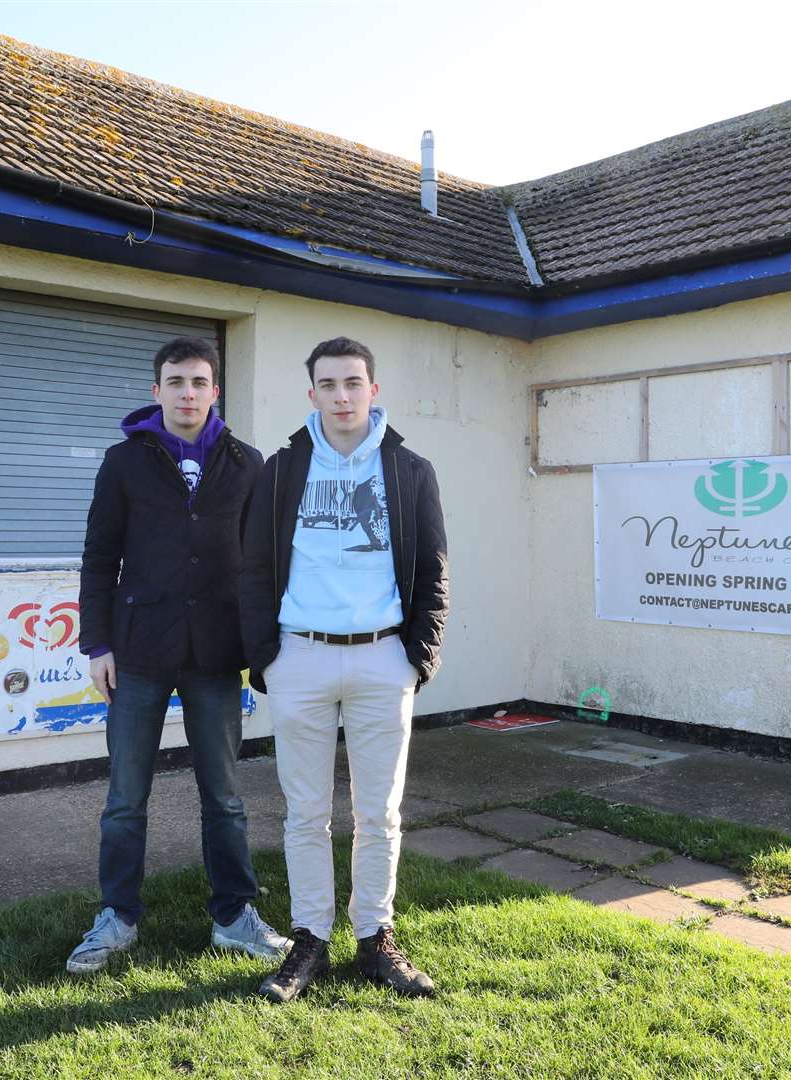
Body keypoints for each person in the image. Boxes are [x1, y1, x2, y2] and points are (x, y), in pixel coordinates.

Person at [66, 336, 291, 974]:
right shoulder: (123, 463)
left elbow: (261, 567)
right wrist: (98, 643)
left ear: (215, 391)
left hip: (217, 655)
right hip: (137, 652)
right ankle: (117, 917)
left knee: (223, 794)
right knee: (124, 796)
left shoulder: (247, 465)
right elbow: (98, 558)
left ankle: (233, 915)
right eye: (175, 382)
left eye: (199, 382)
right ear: (155, 390)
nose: (187, 393)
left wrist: (261, 646)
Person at [239, 336, 450, 1002]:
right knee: (305, 813)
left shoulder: (410, 470)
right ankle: (309, 939)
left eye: (353, 383)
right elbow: (250, 569)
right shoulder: (279, 471)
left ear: (373, 390)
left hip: (383, 657)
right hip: (299, 655)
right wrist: (265, 656)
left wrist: (418, 658)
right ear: (312, 395)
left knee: (378, 813)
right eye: (328, 385)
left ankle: (374, 938)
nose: (341, 396)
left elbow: (435, 571)